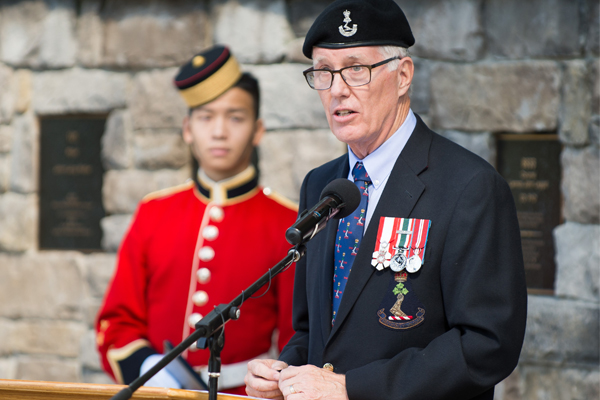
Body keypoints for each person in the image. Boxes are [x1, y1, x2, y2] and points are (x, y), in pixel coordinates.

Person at [244, 1, 528, 399]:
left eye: (357, 69)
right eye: (324, 72)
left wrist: (352, 389)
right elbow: (314, 329)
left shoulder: (470, 187)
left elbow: (486, 346)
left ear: (403, 75)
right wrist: (285, 370)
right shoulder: (322, 185)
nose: (338, 89)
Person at [96, 45, 298, 395]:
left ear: (258, 129)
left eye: (235, 117)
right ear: (187, 129)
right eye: (206, 117)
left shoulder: (288, 223)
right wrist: (147, 368)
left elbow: (297, 337)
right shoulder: (154, 213)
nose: (219, 132)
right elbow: (117, 322)